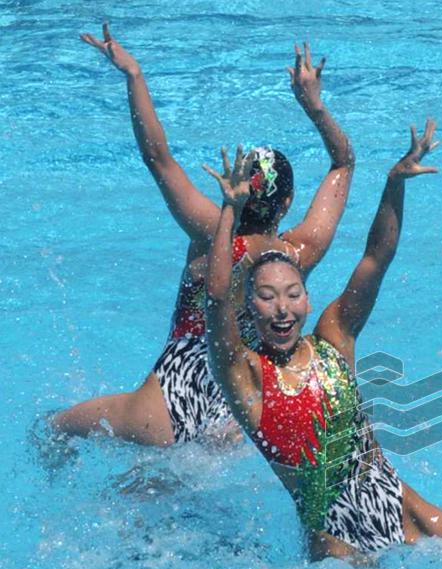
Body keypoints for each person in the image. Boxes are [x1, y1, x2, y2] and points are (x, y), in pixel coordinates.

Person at [52, 24, 353, 446]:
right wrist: (314, 106)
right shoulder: (298, 253)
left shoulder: (213, 234)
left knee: (52, 431)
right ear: (286, 203)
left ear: (235, 189)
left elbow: (158, 158)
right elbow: (344, 163)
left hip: (166, 400)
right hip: (234, 407)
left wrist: (134, 74)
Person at [202, 127, 442, 561]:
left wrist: (394, 184)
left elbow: (376, 258)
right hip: (334, 538)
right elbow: (217, 298)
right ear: (250, 307)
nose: (282, 309)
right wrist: (229, 211)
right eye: (267, 297)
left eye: (293, 294)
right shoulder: (247, 375)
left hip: (396, 502)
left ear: (308, 300)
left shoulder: (333, 338)